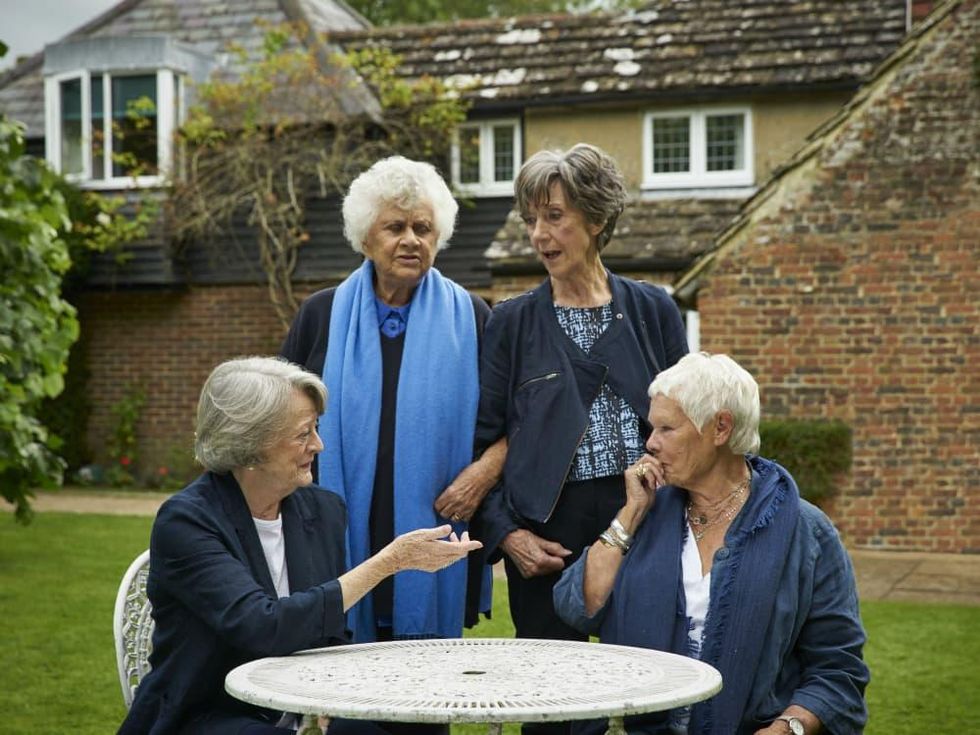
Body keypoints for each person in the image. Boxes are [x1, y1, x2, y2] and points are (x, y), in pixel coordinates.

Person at [118, 356, 481, 735]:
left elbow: (330, 631)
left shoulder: (322, 510)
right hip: (204, 711)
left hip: (297, 703)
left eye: (316, 429)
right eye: (303, 433)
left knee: (419, 723)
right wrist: (387, 563)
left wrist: (333, 701)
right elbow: (261, 625)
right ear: (249, 444)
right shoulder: (187, 522)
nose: (319, 445)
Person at [474, 142, 688, 733]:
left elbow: (687, 427)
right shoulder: (511, 321)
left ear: (595, 219)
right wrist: (508, 536)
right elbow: (483, 446)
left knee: (651, 687)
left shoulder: (654, 310)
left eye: (555, 216)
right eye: (531, 219)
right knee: (551, 706)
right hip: (546, 537)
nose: (539, 233)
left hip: (643, 521)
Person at [553, 352, 869, 735]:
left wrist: (787, 728)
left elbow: (838, 670)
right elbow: (578, 606)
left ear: (720, 428)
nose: (650, 443)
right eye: (651, 429)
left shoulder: (806, 531)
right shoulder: (647, 512)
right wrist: (631, 514)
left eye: (667, 429)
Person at [280, 156, 504, 648]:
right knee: (346, 695)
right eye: (395, 227)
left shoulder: (472, 316)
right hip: (338, 529)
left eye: (423, 228)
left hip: (435, 522)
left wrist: (482, 474)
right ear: (365, 238)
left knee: (426, 699)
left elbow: (510, 424)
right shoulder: (320, 315)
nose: (411, 240)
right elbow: (278, 421)